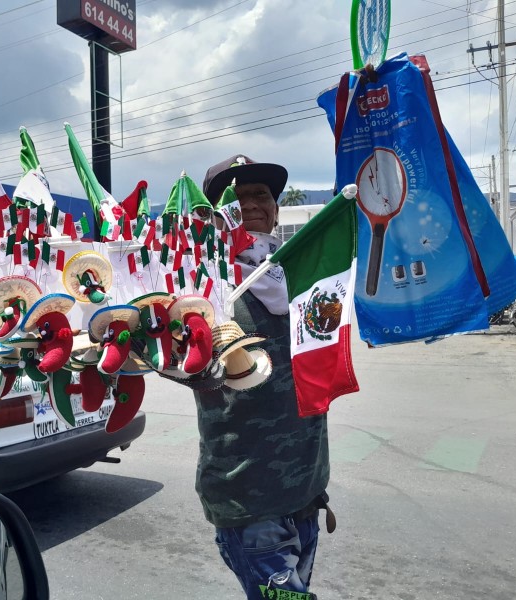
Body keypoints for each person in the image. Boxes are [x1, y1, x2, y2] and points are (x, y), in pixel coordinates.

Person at [195, 155, 335, 600]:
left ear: (276, 208)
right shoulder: (200, 283)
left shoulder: (303, 276)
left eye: (261, 194)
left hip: (307, 488)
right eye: (236, 199)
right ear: (215, 215)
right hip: (248, 496)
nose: (252, 204)